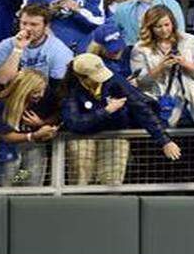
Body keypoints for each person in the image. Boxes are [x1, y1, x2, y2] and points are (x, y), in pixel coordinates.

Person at [62, 53, 181, 185]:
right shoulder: (70, 88)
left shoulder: (114, 80)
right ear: (81, 77)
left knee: (112, 181)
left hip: (115, 133)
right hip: (82, 137)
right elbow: (74, 122)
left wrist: (164, 141)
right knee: (81, 178)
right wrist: (107, 111)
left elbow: (141, 108)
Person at [130, 5, 194, 126]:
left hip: (193, 105)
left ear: (173, 23)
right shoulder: (140, 48)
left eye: (167, 25)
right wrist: (160, 67)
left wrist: (185, 64)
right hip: (161, 104)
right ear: (150, 27)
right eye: (158, 27)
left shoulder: (190, 40)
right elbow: (141, 83)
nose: (164, 30)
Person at [0, 70, 58, 187]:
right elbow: (7, 136)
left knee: (29, 182)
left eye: (42, 91)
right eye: (36, 92)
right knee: (10, 184)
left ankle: (23, 196)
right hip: (10, 153)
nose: (41, 95)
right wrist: (33, 135)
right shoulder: (4, 103)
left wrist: (42, 124)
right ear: (25, 89)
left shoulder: (44, 100)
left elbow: (57, 116)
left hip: (33, 151)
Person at [0, 4, 75, 86]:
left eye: (34, 24)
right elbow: (3, 80)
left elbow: (57, 86)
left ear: (46, 26)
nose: (27, 28)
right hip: (11, 91)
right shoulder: (6, 45)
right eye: (24, 23)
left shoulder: (60, 50)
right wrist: (18, 49)